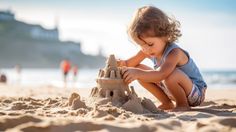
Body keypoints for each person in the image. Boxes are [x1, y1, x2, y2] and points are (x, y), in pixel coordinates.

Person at [118, 6, 207, 111]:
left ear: (165, 35)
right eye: (142, 45)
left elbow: (161, 74)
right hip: (170, 89)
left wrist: (137, 73)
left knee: (171, 74)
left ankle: (182, 105)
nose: (146, 49)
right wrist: (118, 64)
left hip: (195, 94)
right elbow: (129, 64)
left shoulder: (175, 53)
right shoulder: (148, 50)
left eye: (150, 44)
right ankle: (167, 103)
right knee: (139, 68)